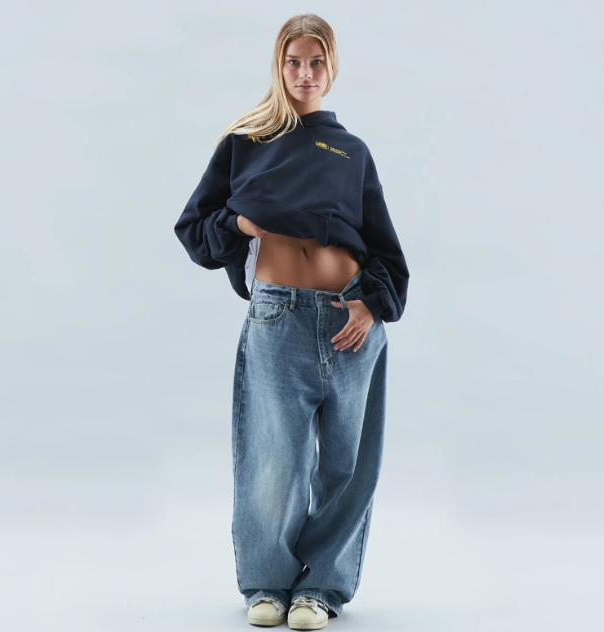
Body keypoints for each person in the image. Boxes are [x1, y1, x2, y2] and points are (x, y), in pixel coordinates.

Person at [174, 13, 410, 630]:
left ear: (332, 68)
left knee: (346, 464)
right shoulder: (246, 142)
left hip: (350, 322)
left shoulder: (352, 152)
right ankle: (268, 585)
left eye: (316, 61)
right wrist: (237, 223)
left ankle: (320, 589)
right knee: (273, 460)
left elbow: (386, 251)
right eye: (293, 61)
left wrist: (371, 304)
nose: (305, 73)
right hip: (277, 317)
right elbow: (194, 230)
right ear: (278, 66)